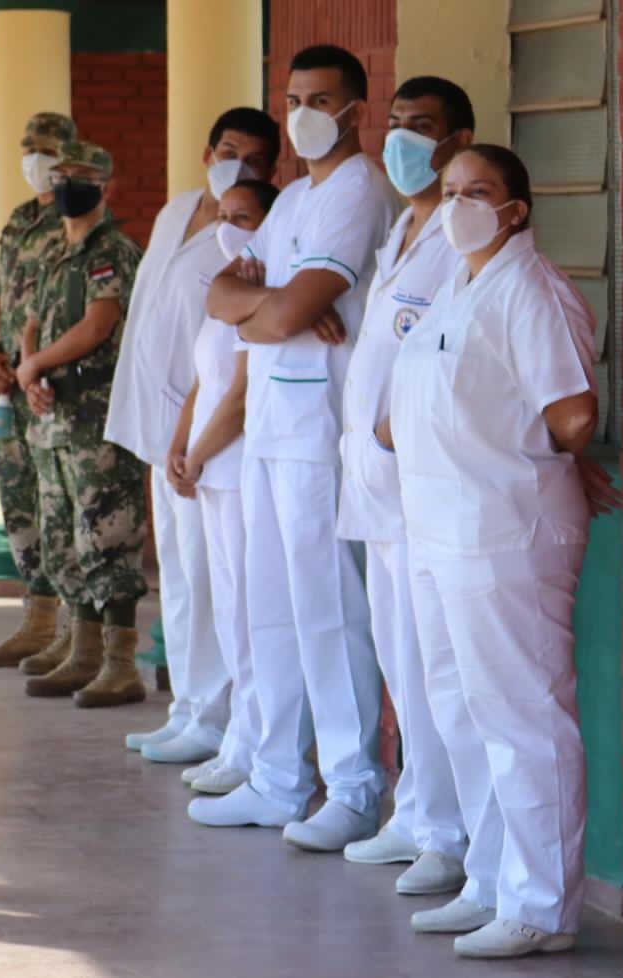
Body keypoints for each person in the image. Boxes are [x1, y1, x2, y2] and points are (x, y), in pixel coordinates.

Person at [385, 144, 597, 959]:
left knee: (524, 716)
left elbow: (574, 412)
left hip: (505, 530)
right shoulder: (458, 282)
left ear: (516, 210)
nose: (458, 203)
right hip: (441, 529)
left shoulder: (529, 290)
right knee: (462, 711)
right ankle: (491, 878)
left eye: (479, 191)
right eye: (449, 190)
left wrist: (516, 456)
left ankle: (542, 905)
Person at [190, 45, 398, 853]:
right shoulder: (294, 199)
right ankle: (277, 777)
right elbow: (223, 296)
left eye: (322, 97)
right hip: (273, 424)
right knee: (269, 609)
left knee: (329, 612)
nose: (304, 110)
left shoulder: (358, 190)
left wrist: (269, 305)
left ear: (356, 107)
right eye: (293, 96)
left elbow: (278, 313)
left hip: (321, 429)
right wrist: (269, 303)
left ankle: (352, 785)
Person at [334, 76, 474, 896]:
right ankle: (417, 810)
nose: (402, 141)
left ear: (459, 139)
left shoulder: (459, 235)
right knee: (398, 655)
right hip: (378, 486)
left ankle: (447, 833)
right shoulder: (401, 231)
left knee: (431, 664)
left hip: (425, 486)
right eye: (397, 124)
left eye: (423, 128)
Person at [106, 108, 280, 763]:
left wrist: (193, 436)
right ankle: (186, 708)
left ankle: (215, 717)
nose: (238, 164)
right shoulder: (177, 211)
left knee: (210, 579)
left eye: (255, 159)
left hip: (207, 434)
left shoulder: (256, 238)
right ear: (208, 151)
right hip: (163, 426)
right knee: (176, 576)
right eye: (229, 150)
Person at [14, 140, 148, 709]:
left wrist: (39, 364)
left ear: (106, 186)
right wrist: (28, 369)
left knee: (106, 541)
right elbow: (34, 321)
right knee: (65, 539)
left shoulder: (111, 251)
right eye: (62, 173)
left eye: (82, 175)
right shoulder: (54, 253)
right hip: (54, 419)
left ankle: (120, 666)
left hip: (97, 420)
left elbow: (97, 326)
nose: (68, 182)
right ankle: (82, 652)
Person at [165, 179, 277, 796]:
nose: (232, 227)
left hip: (234, 473)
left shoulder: (259, 299)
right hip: (208, 473)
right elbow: (200, 385)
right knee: (228, 614)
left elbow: (238, 394)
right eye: (225, 216)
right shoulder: (226, 292)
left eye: (246, 216)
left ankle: (255, 747)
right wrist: (178, 449)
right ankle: (238, 739)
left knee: (249, 615)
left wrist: (199, 457)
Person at [0, 111, 77, 670]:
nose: (33, 158)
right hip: (10, 388)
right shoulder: (17, 220)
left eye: (44, 147)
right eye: (26, 146)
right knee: (18, 504)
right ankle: (35, 621)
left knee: (59, 506)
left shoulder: (74, 219)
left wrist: (31, 367)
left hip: (51, 388)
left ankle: (71, 631)